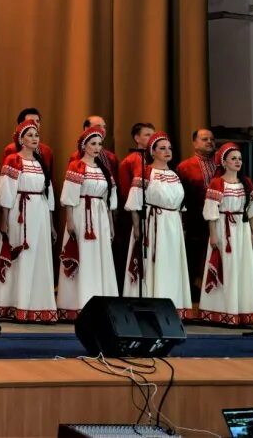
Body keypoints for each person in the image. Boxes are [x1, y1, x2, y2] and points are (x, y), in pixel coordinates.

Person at [0, 120, 57, 322]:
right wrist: (4, 219)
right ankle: (15, 303)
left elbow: (48, 193)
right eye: (29, 135)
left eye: (36, 135)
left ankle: (37, 306)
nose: (34, 138)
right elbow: (6, 192)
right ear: (21, 139)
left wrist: (52, 224)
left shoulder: (40, 162)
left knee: (39, 256)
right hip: (20, 213)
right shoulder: (13, 160)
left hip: (40, 213)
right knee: (21, 256)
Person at [123, 132, 191, 318]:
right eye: (162, 148)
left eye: (169, 148)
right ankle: (150, 303)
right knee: (154, 261)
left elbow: (180, 204)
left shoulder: (175, 175)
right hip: (154, 222)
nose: (167, 151)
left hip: (173, 224)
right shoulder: (146, 172)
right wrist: (137, 228)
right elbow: (135, 203)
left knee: (171, 263)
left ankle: (172, 305)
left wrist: (181, 227)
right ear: (152, 151)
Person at [56, 126, 119, 320]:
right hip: (82, 215)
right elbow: (69, 197)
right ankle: (77, 303)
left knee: (99, 257)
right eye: (93, 144)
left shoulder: (104, 170)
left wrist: (110, 223)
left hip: (99, 217)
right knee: (83, 256)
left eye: (100, 144)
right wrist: (70, 221)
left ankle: (101, 301)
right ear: (84, 146)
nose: (97, 147)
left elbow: (109, 200)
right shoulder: (77, 166)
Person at [198, 143, 253, 326]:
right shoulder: (217, 183)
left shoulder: (246, 182)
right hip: (222, 228)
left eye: (240, 158)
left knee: (243, 269)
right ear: (224, 162)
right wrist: (213, 235)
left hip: (241, 231)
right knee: (226, 268)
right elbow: (211, 211)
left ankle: (242, 311)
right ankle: (223, 310)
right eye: (233, 158)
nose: (238, 161)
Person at [114, 122, 156, 287]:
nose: (151, 137)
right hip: (134, 215)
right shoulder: (129, 161)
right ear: (137, 138)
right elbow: (125, 192)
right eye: (147, 134)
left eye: (152, 134)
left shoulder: (156, 159)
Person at [177, 128, 218, 293]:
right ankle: (192, 293)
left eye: (212, 139)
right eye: (204, 139)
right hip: (195, 219)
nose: (209, 141)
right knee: (193, 256)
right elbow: (180, 197)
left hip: (218, 218)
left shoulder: (222, 164)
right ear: (194, 142)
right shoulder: (185, 167)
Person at [1, 108, 55, 176]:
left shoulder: (47, 151)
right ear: (21, 125)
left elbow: (50, 179)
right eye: (31, 121)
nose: (35, 124)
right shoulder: (11, 149)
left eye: (37, 121)